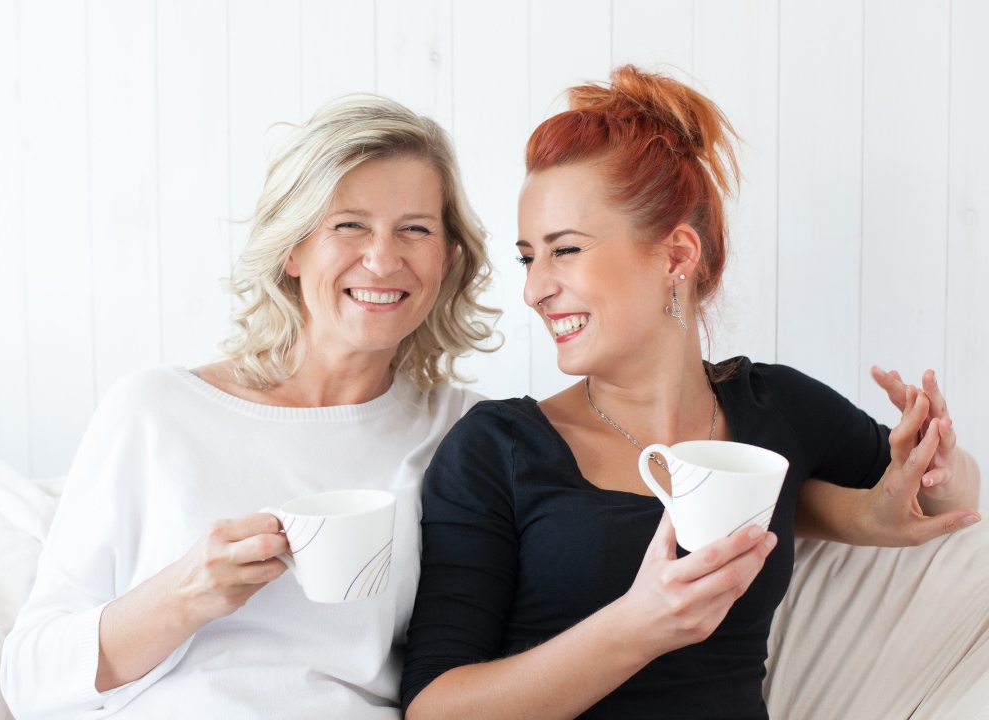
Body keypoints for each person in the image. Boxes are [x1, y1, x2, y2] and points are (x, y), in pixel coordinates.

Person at [400, 66, 981, 719]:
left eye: (564, 250)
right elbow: (435, 708)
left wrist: (940, 463)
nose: (535, 289)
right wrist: (636, 630)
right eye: (529, 257)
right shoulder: (497, 448)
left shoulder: (776, 410)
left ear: (677, 255)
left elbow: (941, 503)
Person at [0, 95, 498, 719]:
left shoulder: (465, 434)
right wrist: (184, 593)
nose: (382, 258)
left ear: (447, 257)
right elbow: (27, 679)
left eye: (415, 229)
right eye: (349, 225)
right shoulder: (156, 411)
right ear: (292, 250)